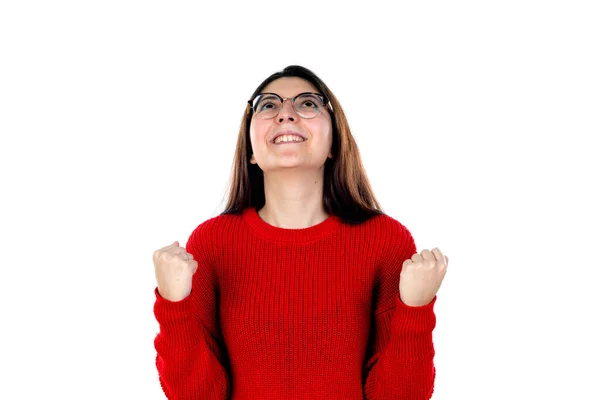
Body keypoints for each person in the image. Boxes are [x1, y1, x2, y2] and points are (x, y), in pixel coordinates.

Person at [152, 65, 448, 400]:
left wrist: (416, 309)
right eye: (268, 105)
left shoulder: (385, 240)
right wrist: (174, 305)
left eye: (308, 103)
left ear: (334, 141)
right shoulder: (212, 243)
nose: (286, 114)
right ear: (250, 149)